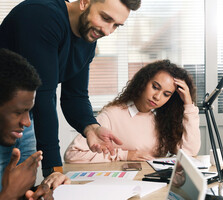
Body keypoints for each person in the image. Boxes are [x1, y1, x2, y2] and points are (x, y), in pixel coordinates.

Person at [0, 0, 141, 177]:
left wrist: (91, 127)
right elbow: (43, 96)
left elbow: (75, 95)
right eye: (106, 18)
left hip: (23, 118)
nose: (108, 31)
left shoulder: (88, 38)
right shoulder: (42, 16)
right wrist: (54, 168)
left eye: (116, 25)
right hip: (5, 115)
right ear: (85, 1)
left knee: (21, 189)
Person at [64, 60, 200, 162]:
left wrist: (188, 105)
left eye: (166, 94)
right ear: (143, 82)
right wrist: (125, 155)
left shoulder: (163, 120)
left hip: (155, 183)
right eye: (155, 87)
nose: (157, 97)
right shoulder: (112, 114)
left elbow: (189, 152)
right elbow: (72, 154)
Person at [0, 49, 70, 200]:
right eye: (18, 112)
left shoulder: (15, 137)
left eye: (29, 112)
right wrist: (9, 194)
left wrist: (45, 188)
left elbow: (21, 191)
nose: (27, 122)